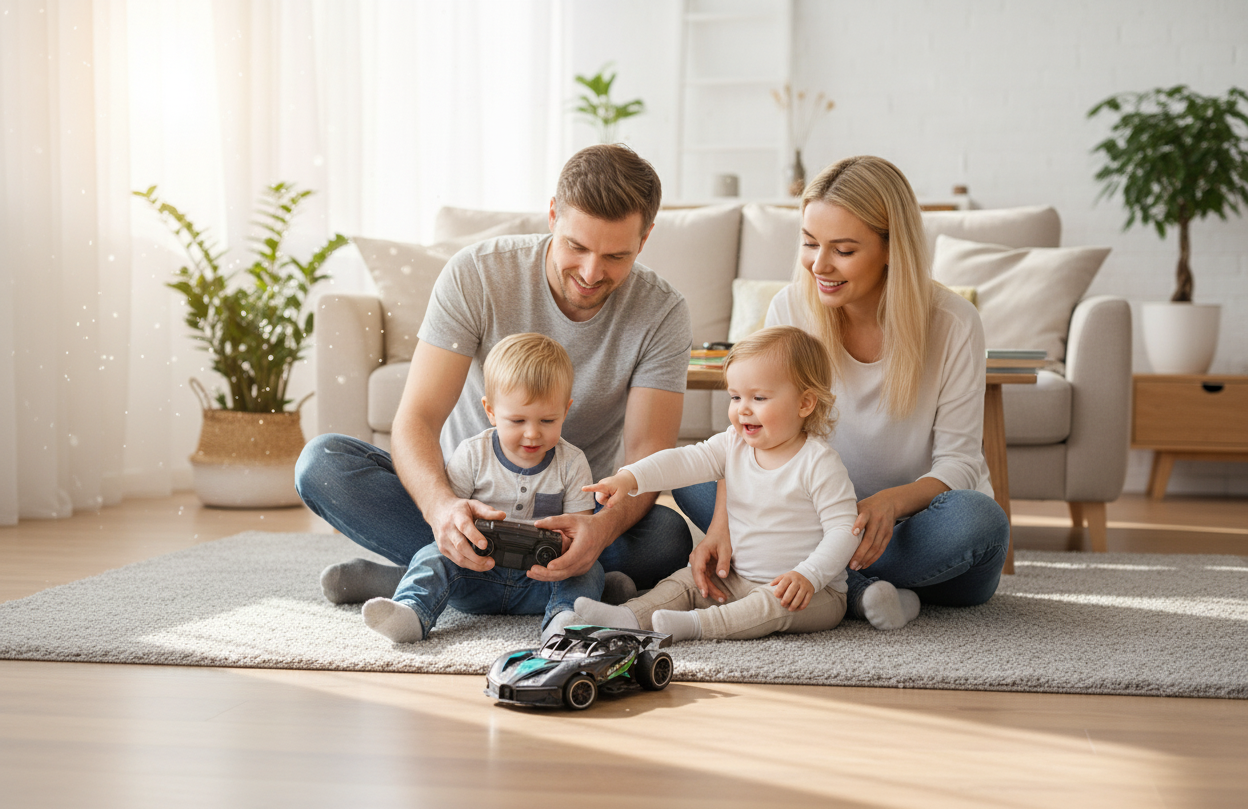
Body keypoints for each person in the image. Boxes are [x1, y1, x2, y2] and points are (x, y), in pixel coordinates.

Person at [297, 144, 694, 609]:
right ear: (552, 216)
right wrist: (442, 509)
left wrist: (599, 528)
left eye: (615, 257)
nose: (591, 273)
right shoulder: (477, 274)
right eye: (577, 246)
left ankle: (428, 578)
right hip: (468, 502)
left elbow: (647, 456)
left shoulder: (663, 312)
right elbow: (418, 419)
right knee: (322, 465)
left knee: (667, 536)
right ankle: (548, 580)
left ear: (644, 240)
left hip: (566, 519)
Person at [673, 155, 1009, 631]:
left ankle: (833, 586)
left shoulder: (953, 323)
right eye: (810, 243)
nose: (819, 265)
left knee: (978, 521)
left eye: (844, 250)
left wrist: (890, 503)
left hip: (909, 527)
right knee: (694, 472)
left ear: (892, 248)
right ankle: (854, 590)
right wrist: (722, 526)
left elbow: (959, 461)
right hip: (814, 522)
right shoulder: (790, 307)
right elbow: (750, 439)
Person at [572, 326, 871, 643]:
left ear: (805, 404)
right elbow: (684, 460)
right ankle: (632, 615)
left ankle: (697, 626)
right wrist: (631, 477)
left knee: (769, 605)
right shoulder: (734, 444)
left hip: (809, 593)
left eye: (758, 397)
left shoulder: (819, 463)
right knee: (685, 582)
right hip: (739, 578)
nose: (742, 408)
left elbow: (844, 530)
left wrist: (808, 576)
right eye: (735, 396)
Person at [361, 333, 601, 644]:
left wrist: (571, 552)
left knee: (590, 569)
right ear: (490, 410)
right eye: (516, 420)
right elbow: (450, 517)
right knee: (433, 554)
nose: (532, 433)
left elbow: (581, 532)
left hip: (541, 580)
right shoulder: (473, 454)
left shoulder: (573, 463)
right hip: (475, 571)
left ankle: (564, 621)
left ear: (565, 411)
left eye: (547, 420)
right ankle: (412, 612)